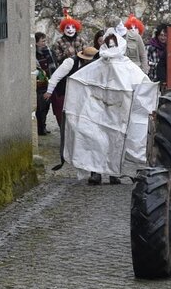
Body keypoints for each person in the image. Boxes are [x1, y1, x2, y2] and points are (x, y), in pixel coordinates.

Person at [60, 25, 159, 185]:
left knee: (116, 140)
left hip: (119, 111)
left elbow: (143, 86)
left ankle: (114, 173)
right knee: (96, 139)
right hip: (99, 109)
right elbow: (82, 80)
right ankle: (96, 172)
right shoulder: (99, 66)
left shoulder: (128, 67)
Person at [34, 33, 56, 136]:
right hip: (40, 84)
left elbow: (53, 66)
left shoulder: (48, 52)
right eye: (42, 41)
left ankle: (43, 126)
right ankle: (40, 127)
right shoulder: (34, 54)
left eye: (45, 41)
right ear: (36, 43)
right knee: (41, 107)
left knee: (47, 107)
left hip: (49, 82)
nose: (44, 43)